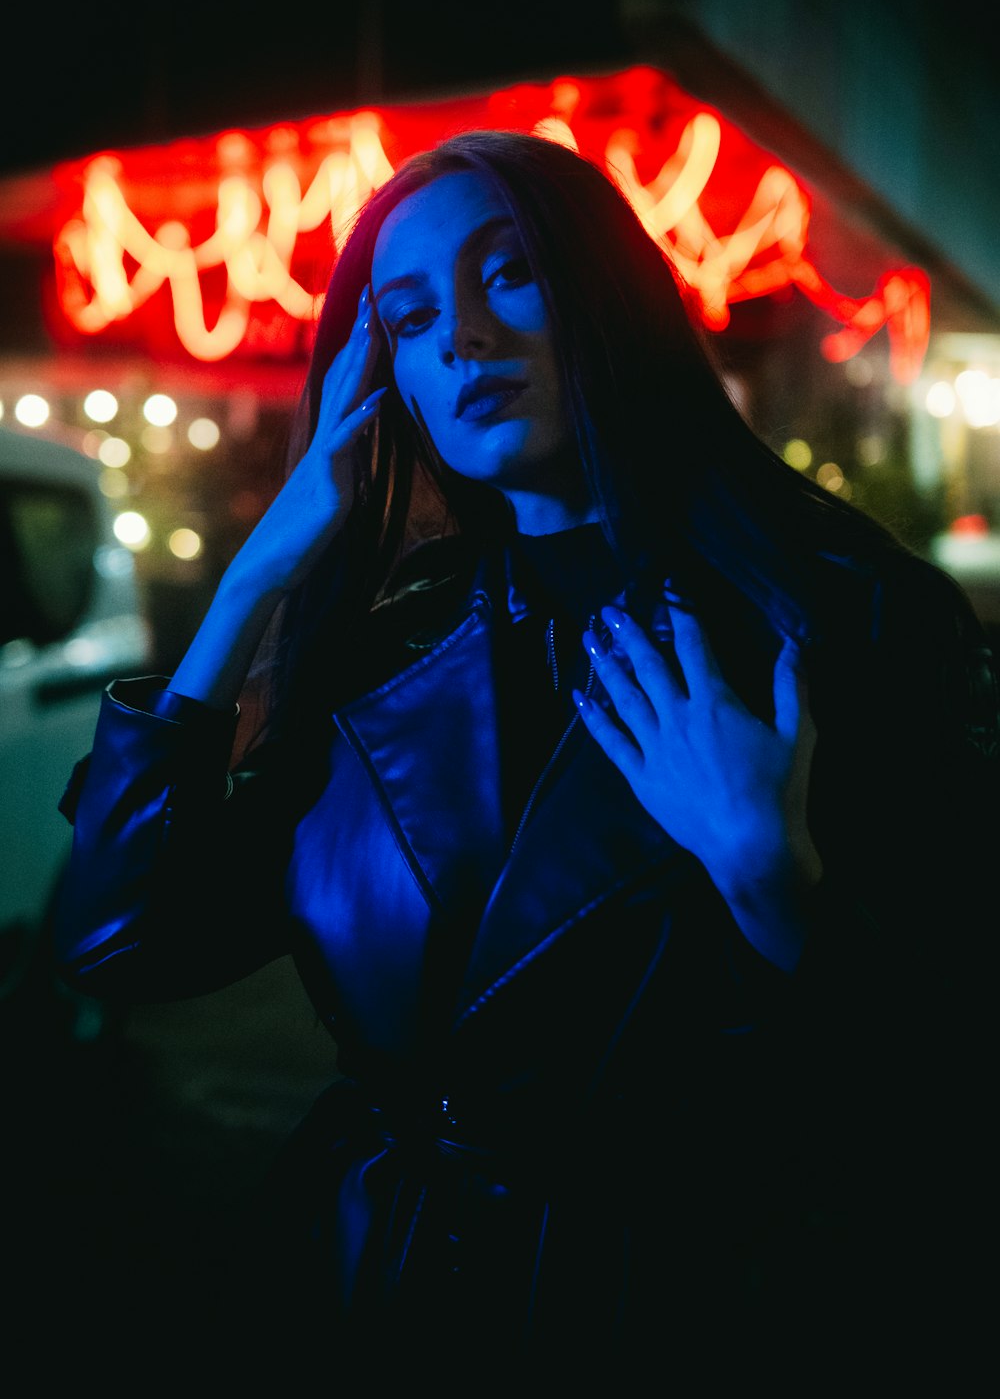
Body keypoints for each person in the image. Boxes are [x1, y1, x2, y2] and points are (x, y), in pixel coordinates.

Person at [54, 129, 997, 1383]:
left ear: (605, 294)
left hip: (685, 1313)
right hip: (359, 1289)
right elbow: (118, 941)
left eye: (509, 275)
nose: (460, 336)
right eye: (407, 313)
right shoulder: (379, 647)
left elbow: (947, 1077)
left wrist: (774, 882)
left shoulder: (847, 618)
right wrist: (259, 580)